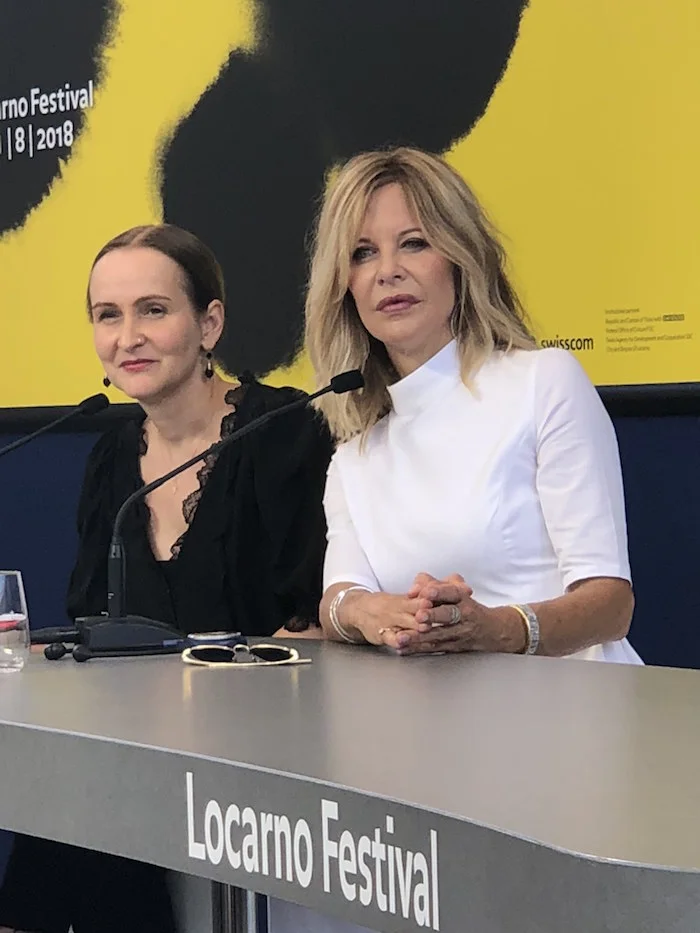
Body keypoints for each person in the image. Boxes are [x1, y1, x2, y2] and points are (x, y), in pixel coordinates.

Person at [0, 224, 334, 932]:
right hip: (138, 755)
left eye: (153, 310)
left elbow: (310, 623)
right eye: (107, 315)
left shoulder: (281, 429)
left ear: (209, 323)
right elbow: (91, 623)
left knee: (87, 805)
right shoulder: (111, 455)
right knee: (67, 794)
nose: (129, 337)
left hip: (263, 750)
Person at [305, 146, 640, 663]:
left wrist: (496, 628)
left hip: (569, 700)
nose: (387, 271)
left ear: (460, 260)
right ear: (343, 286)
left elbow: (610, 606)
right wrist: (367, 612)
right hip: (423, 710)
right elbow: (338, 599)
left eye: (414, 243)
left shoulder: (543, 382)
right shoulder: (355, 456)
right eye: (362, 253)